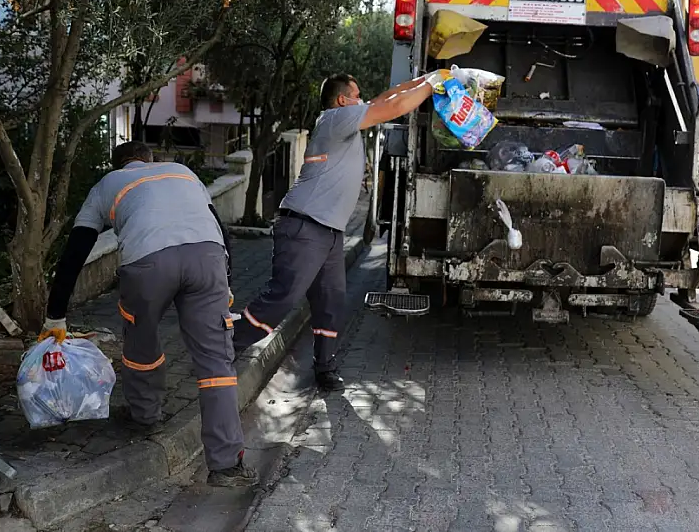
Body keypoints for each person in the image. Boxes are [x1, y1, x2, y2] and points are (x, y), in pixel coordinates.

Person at [42, 141, 255, 488]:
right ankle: (227, 464)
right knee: (217, 363)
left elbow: (76, 252)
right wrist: (226, 282)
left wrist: (56, 315)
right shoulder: (183, 172)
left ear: (118, 165)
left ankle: (145, 414)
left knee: (142, 342)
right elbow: (220, 228)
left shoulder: (106, 185)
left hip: (147, 263)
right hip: (208, 259)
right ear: (150, 160)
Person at [233, 70, 443, 391]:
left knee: (331, 303)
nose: (362, 100)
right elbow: (393, 108)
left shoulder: (345, 122)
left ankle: (325, 368)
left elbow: (388, 98)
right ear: (343, 99)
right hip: (304, 225)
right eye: (357, 95)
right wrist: (430, 87)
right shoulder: (335, 119)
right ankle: (225, 345)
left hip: (329, 232)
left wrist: (429, 77)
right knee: (282, 297)